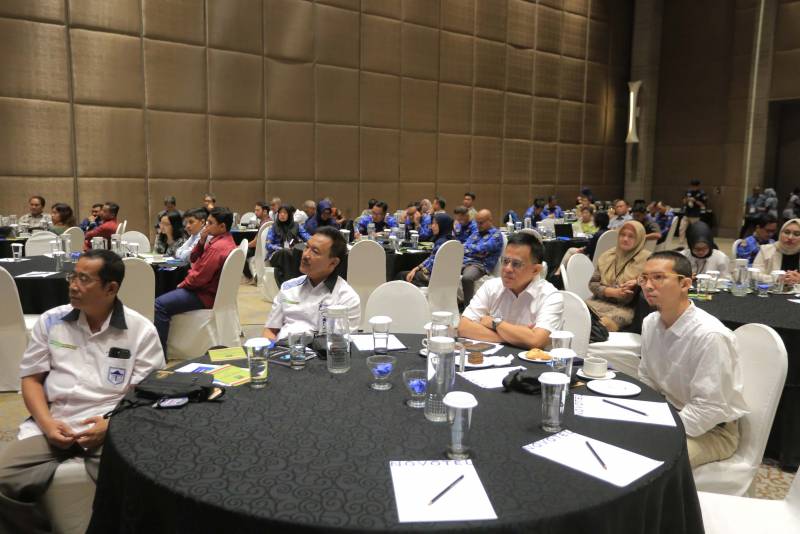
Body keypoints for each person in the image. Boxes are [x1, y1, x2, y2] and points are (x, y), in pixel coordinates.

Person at [0, 250, 164, 532]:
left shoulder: (140, 331)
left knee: (139, 489)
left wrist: (111, 426)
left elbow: (146, 395)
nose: (73, 285)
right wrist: (47, 424)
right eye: (73, 276)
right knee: (2, 478)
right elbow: (31, 380)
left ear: (111, 288)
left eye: (84, 279)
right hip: (55, 424)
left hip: (112, 428)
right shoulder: (51, 321)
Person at [638, 250, 747, 468]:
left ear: (685, 283)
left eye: (658, 277)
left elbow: (709, 408)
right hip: (669, 412)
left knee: (648, 460)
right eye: (644, 278)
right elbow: (647, 377)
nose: (648, 286)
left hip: (712, 431)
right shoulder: (650, 322)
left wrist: (658, 427)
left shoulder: (709, 335)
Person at [458, 232, 563, 348]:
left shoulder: (550, 296)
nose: (507, 269)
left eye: (516, 264)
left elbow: (537, 341)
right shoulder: (491, 287)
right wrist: (518, 337)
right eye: (505, 261)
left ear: (536, 270)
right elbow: (464, 327)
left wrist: (495, 323)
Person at [153, 207, 236, 353]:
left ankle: (159, 355)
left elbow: (199, 278)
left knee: (159, 305)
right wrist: (202, 241)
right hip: (209, 292)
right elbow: (193, 258)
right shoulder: (224, 240)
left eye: (210, 223)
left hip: (203, 295)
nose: (206, 226)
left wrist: (182, 285)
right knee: (167, 294)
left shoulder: (217, 247)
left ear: (222, 226)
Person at [263, 227, 360, 340]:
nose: (305, 255)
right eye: (307, 247)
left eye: (315, 251)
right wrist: (270, 347)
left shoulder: (346, 298)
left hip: (321, 350)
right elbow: (271, 329)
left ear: (333, 262)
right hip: (282, 348)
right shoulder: (288, 287)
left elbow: (341, 344)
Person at [586, 220, 650, 332]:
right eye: (622, 235)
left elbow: (656, 282)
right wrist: (612, 292)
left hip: (626, 309)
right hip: (598, 302)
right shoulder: (607, 256)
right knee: (574, 313)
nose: (625, 239)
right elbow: (593, 283)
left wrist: (638, 282)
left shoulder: (648, 259)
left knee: (598, 326)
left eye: (631, 236)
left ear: (639, 238)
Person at [398, 213, 455, 287]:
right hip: (446, 279)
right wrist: (416, 268)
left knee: (400, 275)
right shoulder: (452, 240)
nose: (432, 226)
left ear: (443, 225)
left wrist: (417, 271)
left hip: (431, 279)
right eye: (432, 223)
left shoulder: (441, 242)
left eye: (435, 224)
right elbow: (431, 259)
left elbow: (432, 265)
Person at [461, 209, 504, 305]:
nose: (478, 225)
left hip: (480, 265)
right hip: (466, 261)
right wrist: (475, 251)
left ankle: (468, 307)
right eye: (477, 223)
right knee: (446, 270)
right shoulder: (476, 233)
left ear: (490, 220)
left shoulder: (496, 235)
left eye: (481, 223)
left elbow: (483, 249)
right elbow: (464, 246)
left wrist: (472, 250)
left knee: (467, 278)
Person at [267, 205, 312, 286]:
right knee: (285, 252)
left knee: (301, 251)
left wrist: (315, 241)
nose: (282, 215)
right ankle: (288, 284)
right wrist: (279, 248)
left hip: (293, 253)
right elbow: (268, 244)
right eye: (280, 213)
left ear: (289, 215)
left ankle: (301, 283)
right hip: (276, 254)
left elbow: (307, 237)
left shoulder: (296, 226)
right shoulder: (273, 227)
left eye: (285, 213)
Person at [752, 218, 800, 285]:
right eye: (787, 232)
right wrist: (777, 279)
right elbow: (754, 274)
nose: (790, 237)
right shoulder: (766, 250)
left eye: (796, 234)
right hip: (771, 290)